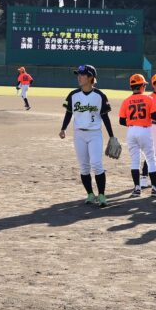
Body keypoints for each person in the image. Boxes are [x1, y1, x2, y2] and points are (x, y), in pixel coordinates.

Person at [60, 64, 115, 207]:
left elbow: (105, 117)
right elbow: (69, 113)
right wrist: (63, 128)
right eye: (78, 75)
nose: (79, 77)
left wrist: (111, 136)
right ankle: (90, 194)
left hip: (95, 134)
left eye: (82, 75)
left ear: (91, 77)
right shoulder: (73, 95)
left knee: (96, 164)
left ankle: (101, 195)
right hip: (79, 134)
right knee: (84, 167)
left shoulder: (100, 96)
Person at [118, 74, 156, 197]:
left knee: (135, 161)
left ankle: (137, 189)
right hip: (145, 131)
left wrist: (133, 122)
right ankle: (155, 188)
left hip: (131, 131)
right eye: (144, 85)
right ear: (141, 86)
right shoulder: (148, 99)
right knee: (151, 159)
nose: (145, 87)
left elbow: (121, 121)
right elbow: (155, 116)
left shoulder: (126, 101)